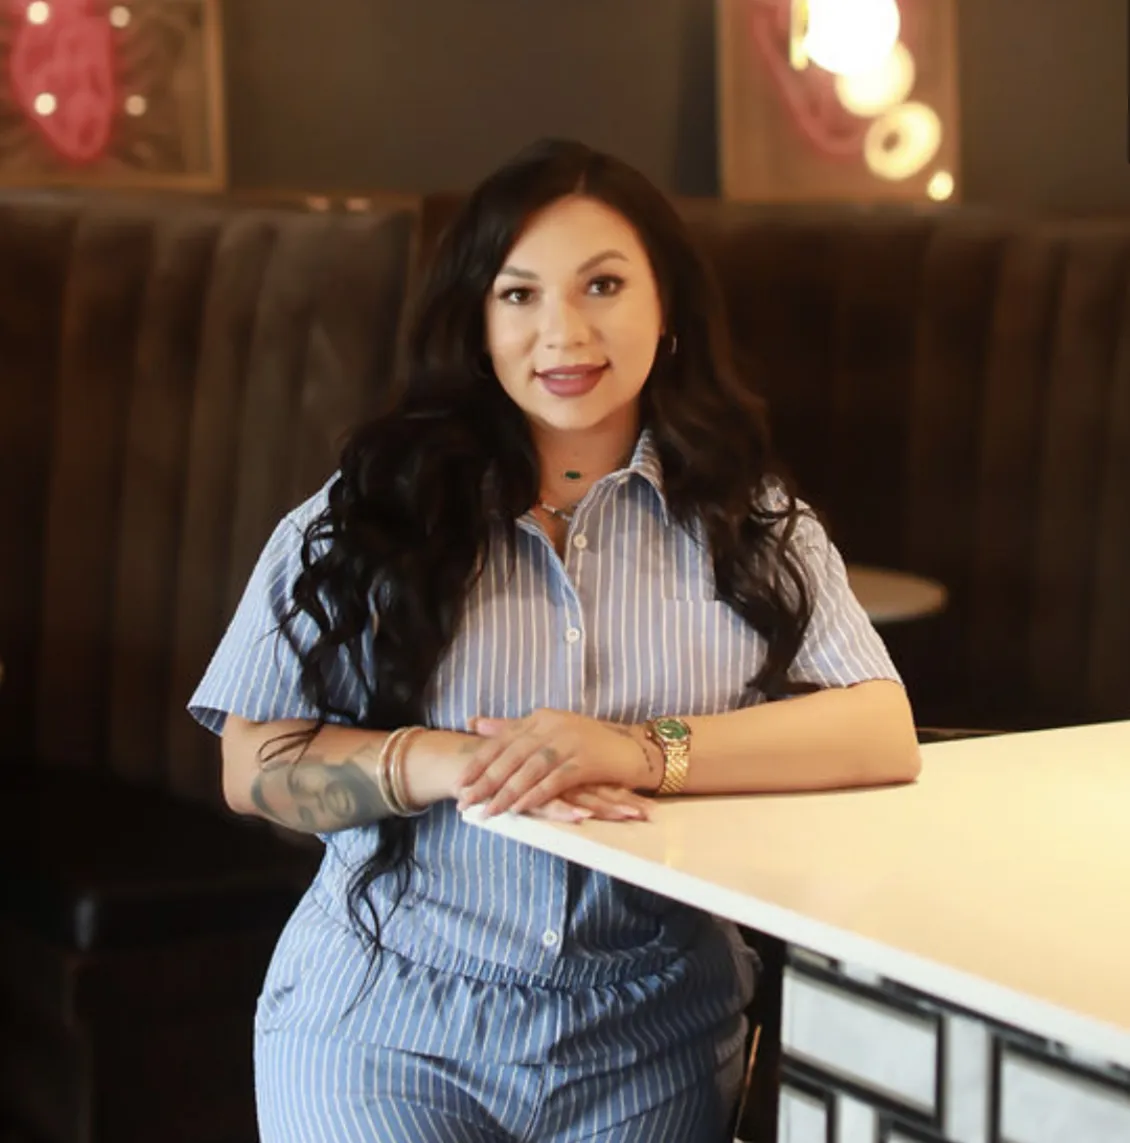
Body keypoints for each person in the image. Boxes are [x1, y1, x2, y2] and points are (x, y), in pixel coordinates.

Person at [189, 137, 920, 1143]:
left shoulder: (748, 518)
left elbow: (878, 729)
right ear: (476, 323)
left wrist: (633, 751)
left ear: (666, 309)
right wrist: (452, 765)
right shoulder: (366, 512)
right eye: (518, 294)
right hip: (385, 1020)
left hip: (653, 1035)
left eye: (602, 284)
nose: (562, 332)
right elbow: (251, 762)